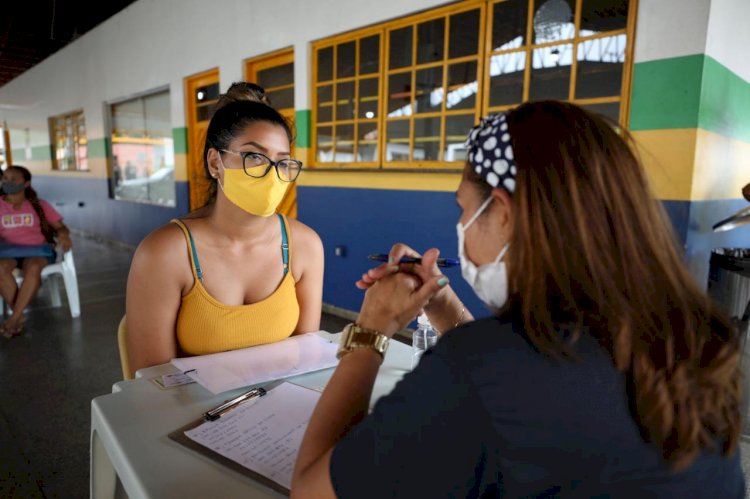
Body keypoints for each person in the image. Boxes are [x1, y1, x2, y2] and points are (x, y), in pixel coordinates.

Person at [291, 101, 744, 498]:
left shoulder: (475, 371)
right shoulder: (691, 336)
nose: (462, 223)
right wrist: (445, 306)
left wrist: (372, 329)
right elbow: (519, 374)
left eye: (464, 208)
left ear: (502, 213)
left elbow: (310, 492)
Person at [125, 82, 323, 375]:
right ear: (215, 162)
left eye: (282, 162)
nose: (271, 174)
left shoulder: (305, 245)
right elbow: (152, 382)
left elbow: (306, 357)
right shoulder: (166, 253)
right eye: (254, 156)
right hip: (193, 414)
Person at [0, 165, 73, 337]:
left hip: (38, 251)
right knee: (0, 269)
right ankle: (18, 317)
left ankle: (14, 319)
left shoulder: (40, 205)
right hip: (8, 251)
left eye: (13, 179)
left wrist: (63, 235)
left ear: (26, 184)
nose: (7, 182)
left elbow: (61, 227)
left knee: (33, 268)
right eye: (5, 178)